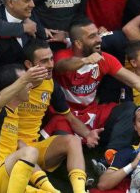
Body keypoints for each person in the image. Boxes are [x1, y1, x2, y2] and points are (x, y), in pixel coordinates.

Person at [45, 18, 140, 150]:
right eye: (92, 36)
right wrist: (85, 61)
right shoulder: (62, 56)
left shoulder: (104, 59)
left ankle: (111, 154)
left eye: (97, 34)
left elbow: (137, 82)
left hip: (91, 112)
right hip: (66, 115)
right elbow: (61, 66)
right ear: (78, 43)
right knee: (62, 140)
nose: (99, 39)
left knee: (129, 109)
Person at [15, 40, 90, 192]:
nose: (50, 65)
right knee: (21, 146)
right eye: (44, 61)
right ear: (29, 64)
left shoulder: (51, 85)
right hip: (10, 147)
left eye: (51, 59)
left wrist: (88, 134)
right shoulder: (13, 79)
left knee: (73, 141)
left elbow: (69, 117)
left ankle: (80, 190)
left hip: (34, 146)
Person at [0, 62, 51, 193]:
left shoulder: (14, 112)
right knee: (30, 152)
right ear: (14, 87)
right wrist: (24, 79)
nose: (30, 85)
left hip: (9, 183)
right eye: (26, 82)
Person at [0, 0, 46, 65]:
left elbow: (42, 38)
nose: (32, 5)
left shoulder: (31, 16)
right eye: (27, 0)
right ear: (10, 3)